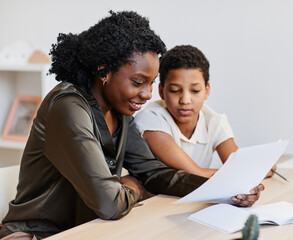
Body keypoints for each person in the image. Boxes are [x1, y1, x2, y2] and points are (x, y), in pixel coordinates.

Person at [0, 12, 264, 240]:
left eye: (151, 83)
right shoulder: (68, 107)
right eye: (138, 82)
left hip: (89, 229)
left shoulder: (120, 110)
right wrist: (135, 188)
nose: (148, 94)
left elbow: (155, 173)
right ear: (104, 72)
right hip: (38, 234)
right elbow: (109, 203)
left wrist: (226, 189)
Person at [135, 45, 276, 178]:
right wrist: (249, 172)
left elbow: (236, 163)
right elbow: (194, 173)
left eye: (195, 91)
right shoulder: (150, 118)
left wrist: (257, 167)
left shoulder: (213, 120)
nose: (185, 100)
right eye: (175, 90)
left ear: (206, 91)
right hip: (157, 200)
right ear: (161, 91)